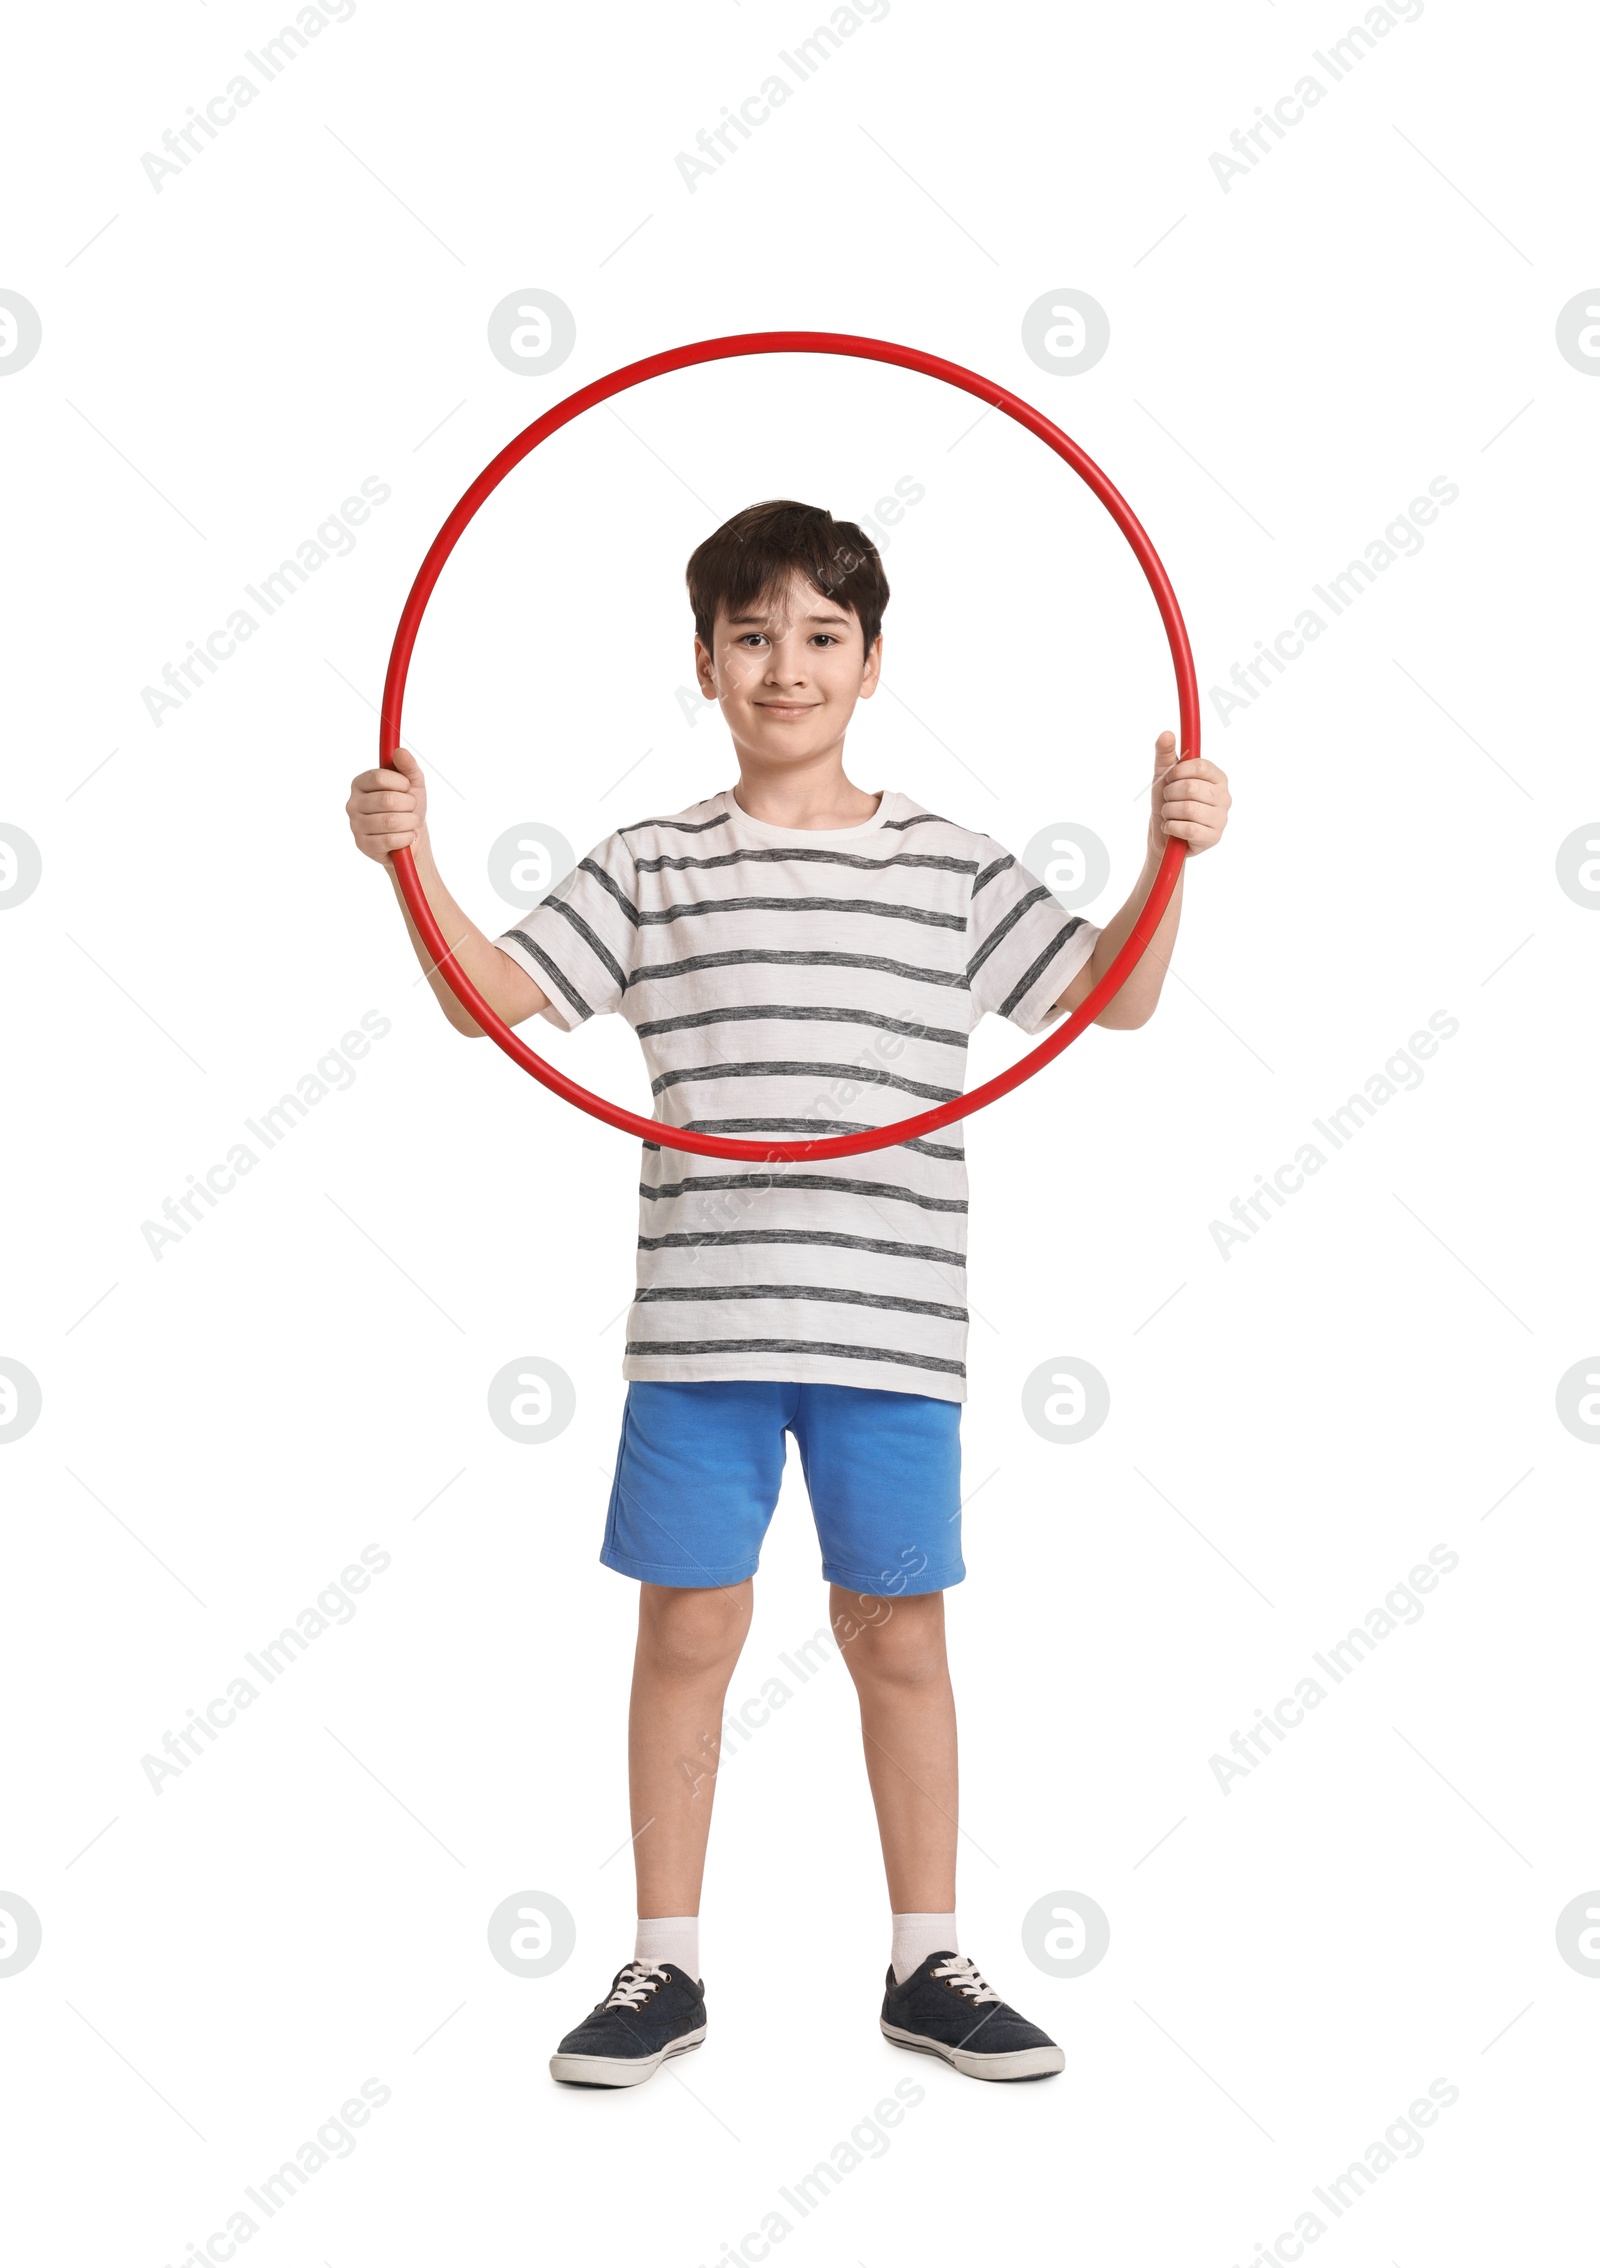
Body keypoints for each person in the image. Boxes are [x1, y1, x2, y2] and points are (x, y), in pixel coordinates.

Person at [346, 498, 1231, 2087]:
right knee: (691, 1626)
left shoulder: (944, 863)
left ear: (874, 662)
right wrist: (414, 866)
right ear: (703, 662)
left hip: (892, 1332)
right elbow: (492, 1006)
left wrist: (1171, 847)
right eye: (752, 634)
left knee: (899, 1634)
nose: (787, 665)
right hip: (702, 1331)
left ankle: (924, 1962)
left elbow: (1120, 996)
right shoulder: (651, 863)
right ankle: (662, 1965)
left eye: (823, 634)